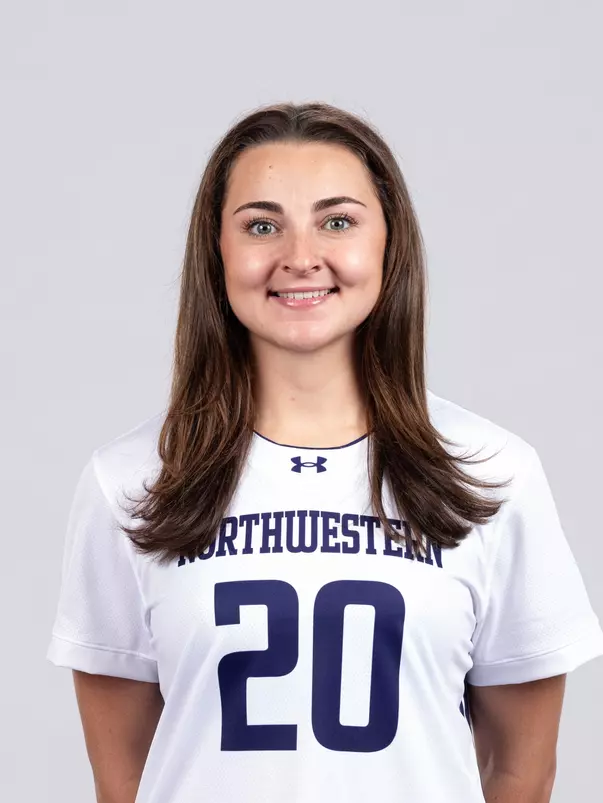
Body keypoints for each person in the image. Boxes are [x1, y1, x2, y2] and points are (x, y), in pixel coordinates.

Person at [47, 101, 603, 803]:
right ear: (215, 252)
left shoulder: (491, 473)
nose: (299, 256)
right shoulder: (129, 482)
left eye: (336, 221)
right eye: (260, 225)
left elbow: (523, 772)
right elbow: (121, 779)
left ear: (386, 244)